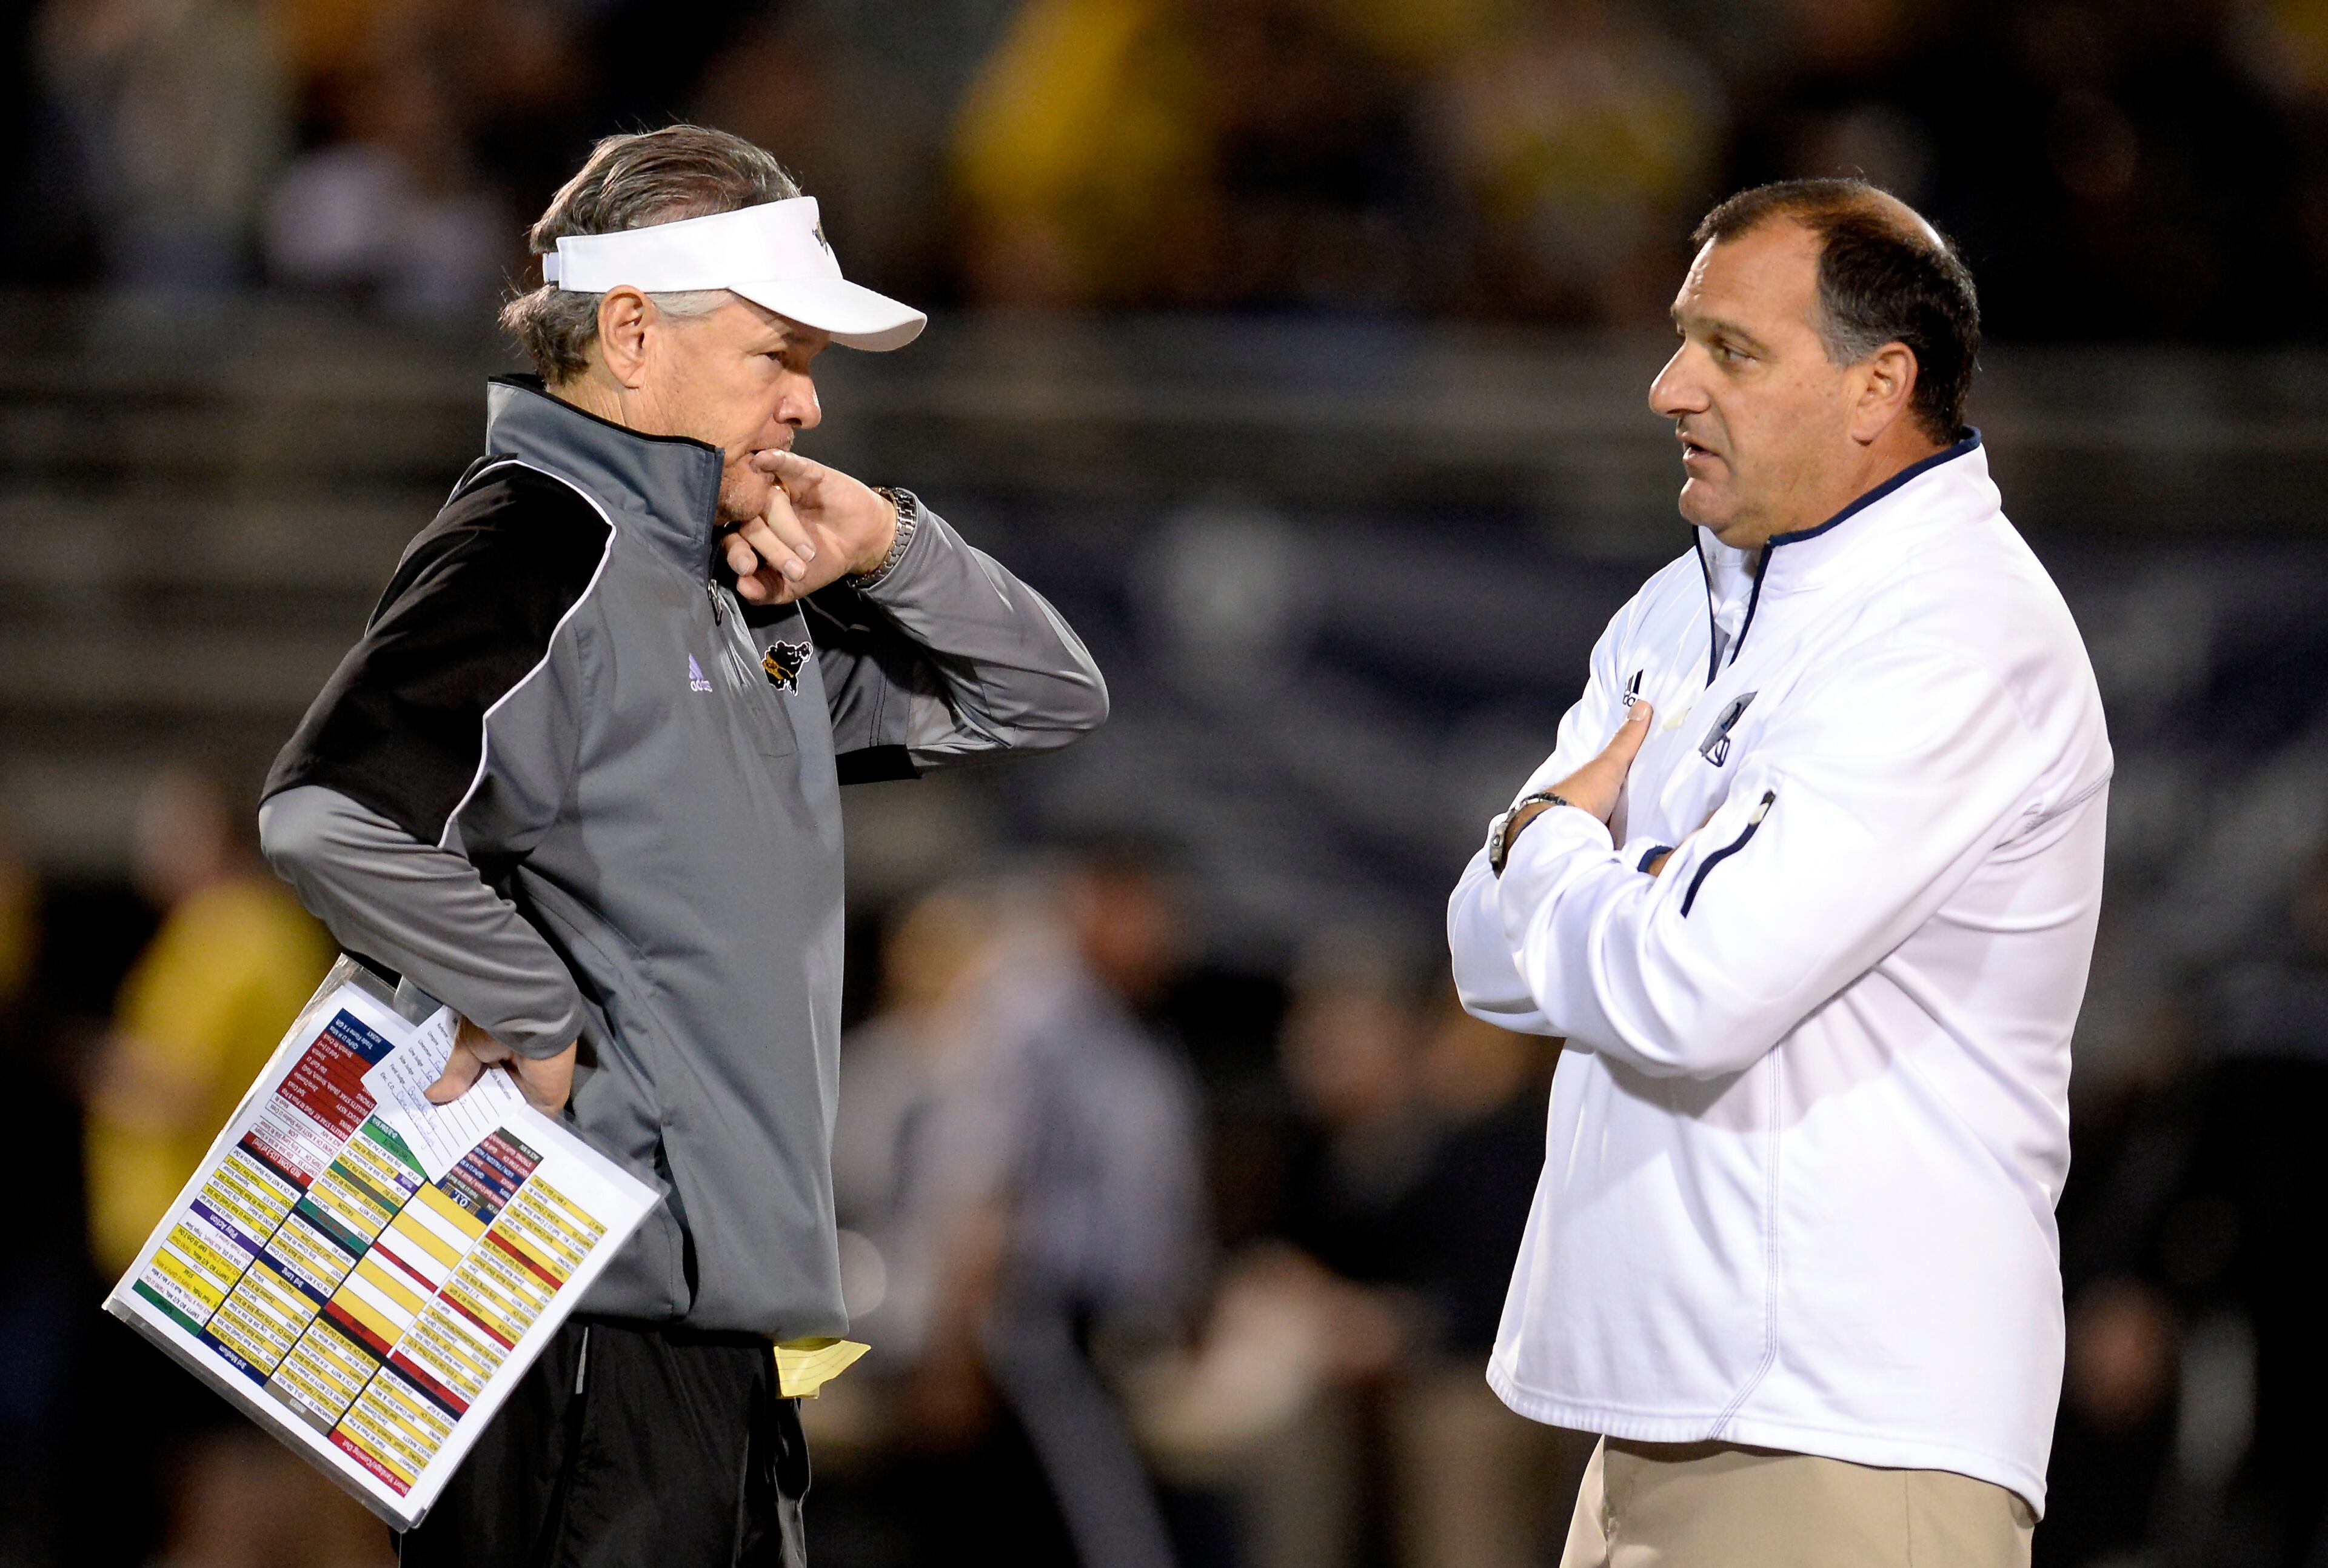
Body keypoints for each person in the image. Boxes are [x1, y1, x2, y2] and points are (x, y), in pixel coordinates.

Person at [258, 124, 1108, 1567]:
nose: (808, 403)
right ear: (634, 335)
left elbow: (1041, 695)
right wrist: (524, 999)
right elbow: (325, 810)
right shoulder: (537, 534)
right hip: (566, 1331)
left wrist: (895, 546)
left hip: (701, 1343)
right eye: (777, 355)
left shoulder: (728, 578)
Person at [1447, 178, 2111, 1567]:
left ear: (1879, 387)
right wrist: (1610, 888)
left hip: (1847, 1436)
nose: (1667, 386)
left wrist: (1556, 844)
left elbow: (1690, 986)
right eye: (1683, 337)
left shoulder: (1955, 633)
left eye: (1731, 350)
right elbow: (1479, 952)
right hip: (1657, 1422)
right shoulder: (1678, 606)